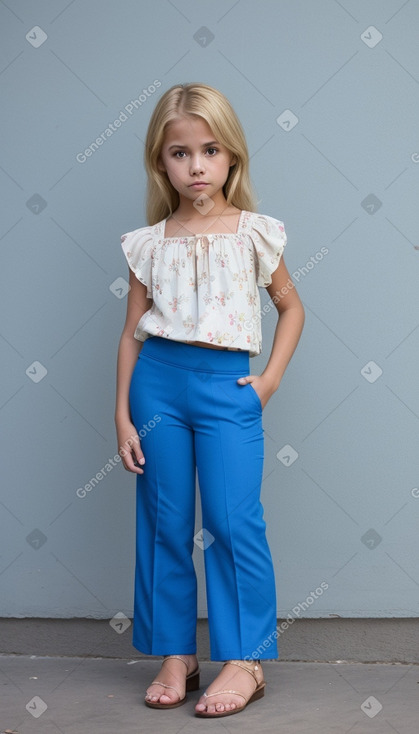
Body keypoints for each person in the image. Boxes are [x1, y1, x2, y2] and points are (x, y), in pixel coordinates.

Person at [115, 82, 305, 718]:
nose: (195, 165)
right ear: (160, 161)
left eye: (210, 150)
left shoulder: (255, 233)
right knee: (165, 521)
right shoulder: (149, 242)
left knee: (231, 520)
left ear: (232, 159)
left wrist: (269, 380)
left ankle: (245, 659)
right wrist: (122, 415)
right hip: (158, 383)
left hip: (228, 385)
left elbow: (290, 307)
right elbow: (131, 333)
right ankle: (176, 652)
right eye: (179, 153)